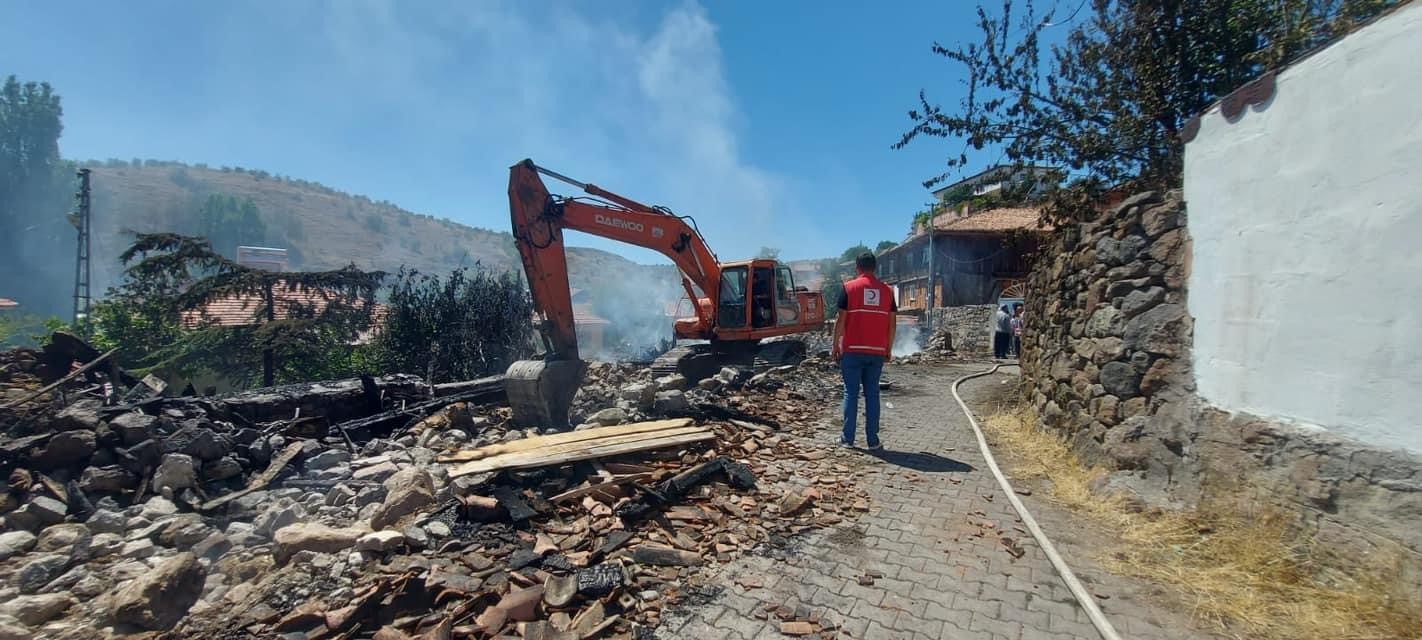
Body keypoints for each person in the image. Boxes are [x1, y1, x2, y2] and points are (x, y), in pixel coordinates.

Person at [831, 252, 896, 450]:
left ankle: (847, 439)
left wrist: (835, 345)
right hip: (876, 351)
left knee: (851, 393)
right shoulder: (887, 291)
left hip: (852, 350)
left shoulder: (849, 288)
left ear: (857, 267)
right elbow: (892, 324)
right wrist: (888, 348)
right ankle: (873, 442)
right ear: (874, 267)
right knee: (872, 394)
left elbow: (841, 320)